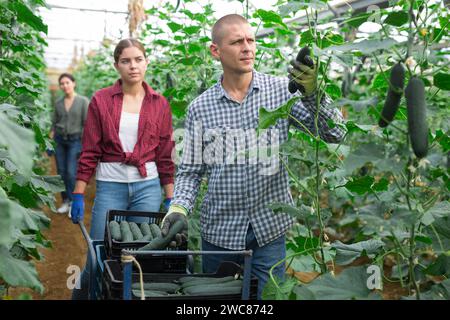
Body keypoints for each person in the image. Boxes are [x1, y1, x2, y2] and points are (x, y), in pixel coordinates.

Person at [161, 14, 346, 299]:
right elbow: (190, 171)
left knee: (266, 301)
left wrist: (313, 93)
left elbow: (335, 134)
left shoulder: (281, 92)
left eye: (251, 40)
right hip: (220, 231)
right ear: (216, 51)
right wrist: (179, 208)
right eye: (236, 42)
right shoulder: (200, 107)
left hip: (268, 230)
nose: (247, 47)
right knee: (219, 302)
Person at [70, 38, 175, 299]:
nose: (133, 66)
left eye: (138, 59)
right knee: (98, 252)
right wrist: (78, 193)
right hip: (110, 186)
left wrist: (170, 195)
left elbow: (164, 155)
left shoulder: (159, 103)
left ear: (146, 62)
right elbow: (90, 150)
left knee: (142, 253)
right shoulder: (102, 100)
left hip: (148, 187)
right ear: (117, 65)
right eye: (126, 61)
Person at [51, 73, 89, 215]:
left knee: (71, 172)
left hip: (75, 140)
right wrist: (50, 142)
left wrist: (85, 145)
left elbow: (87, 124)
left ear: (74, 83)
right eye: (62, 83)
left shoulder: (83, 101)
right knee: (61, 172)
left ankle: (74, 202)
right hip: (60, 140)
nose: (65, 85)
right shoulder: (59, 103)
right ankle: (65, 201)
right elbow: (54, 124)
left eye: (67, 82)